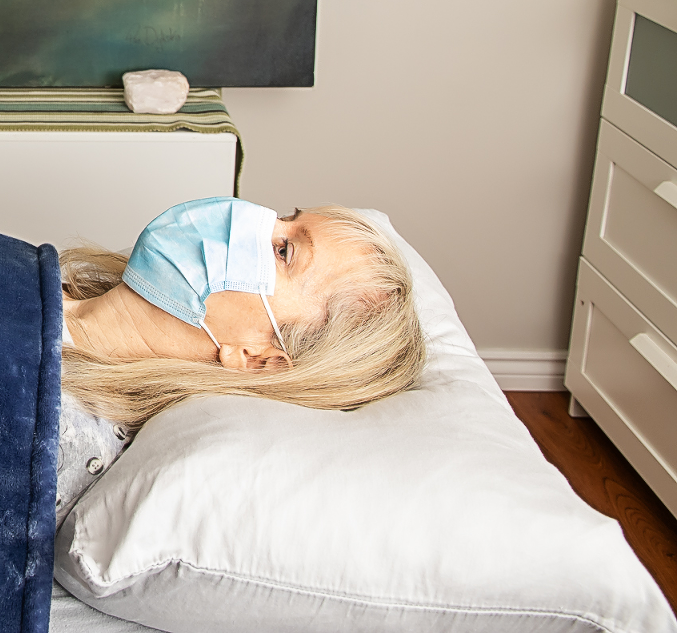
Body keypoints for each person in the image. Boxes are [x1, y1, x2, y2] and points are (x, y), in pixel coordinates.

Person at [52, 199, 426, 522]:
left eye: (285, 250)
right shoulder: (54, 288)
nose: (250, 217)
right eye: (283, 216)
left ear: (259, 359)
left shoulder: (55, 429)